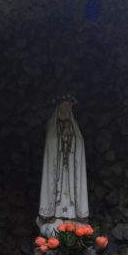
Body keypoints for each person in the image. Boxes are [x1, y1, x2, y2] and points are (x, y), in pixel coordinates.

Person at [37, 97, 89, 234]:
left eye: (69, 107)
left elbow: (79, 144)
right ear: (59, 107)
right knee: (57, 188)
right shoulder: (52, 126)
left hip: (71, 166)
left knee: (70, 189)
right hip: (57, 166)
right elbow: (51, 144)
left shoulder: (74, 126)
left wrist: (70, 139)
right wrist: (62, 139)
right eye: (64, 106)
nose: (66, 109)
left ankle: (72, 214)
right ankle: (54, 214)